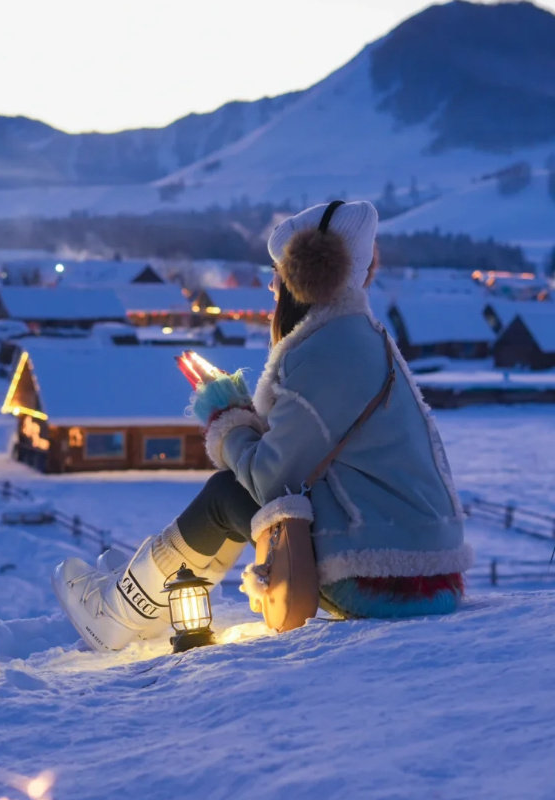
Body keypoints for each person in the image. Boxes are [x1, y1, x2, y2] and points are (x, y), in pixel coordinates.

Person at [53, 200, 472, 652]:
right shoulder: (362, 336)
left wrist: (225, 418)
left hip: (381, 578)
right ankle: (150, 587)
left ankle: (118, 613)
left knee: (227, 494)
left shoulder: (326, 351)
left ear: (304, 277)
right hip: (422, 567)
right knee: (235, 493)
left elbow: (270, 478)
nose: (271, 284)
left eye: (279, 271)